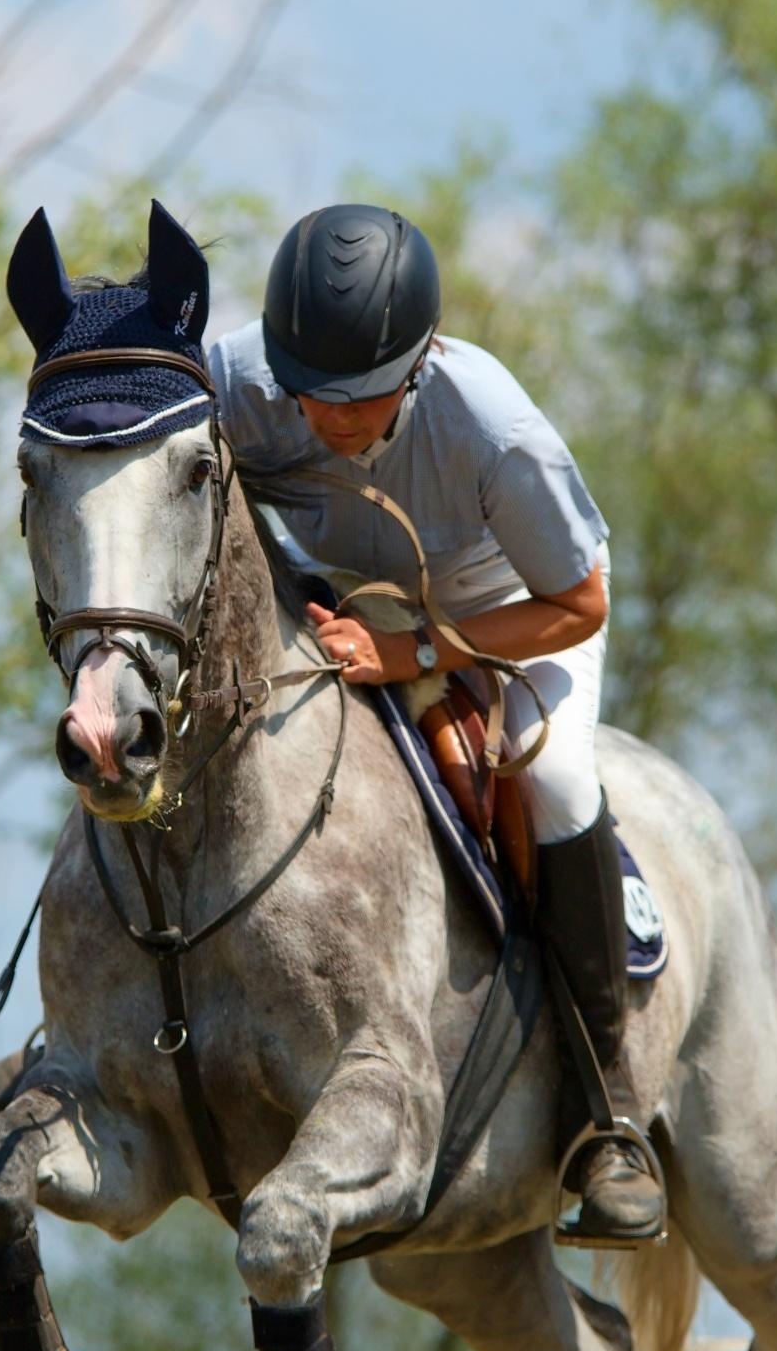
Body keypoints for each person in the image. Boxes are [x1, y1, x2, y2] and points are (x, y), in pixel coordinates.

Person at [207, 202, 665, 1246]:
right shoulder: (243, 377)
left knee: (551, 779)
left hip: (509, 606)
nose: (326, 415)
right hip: (342, 596)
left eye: (357, 394)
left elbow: (579, 603)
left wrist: (416, 653)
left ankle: (609, 1118)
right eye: (306, 387)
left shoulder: (495, 430)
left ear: (417, 364)